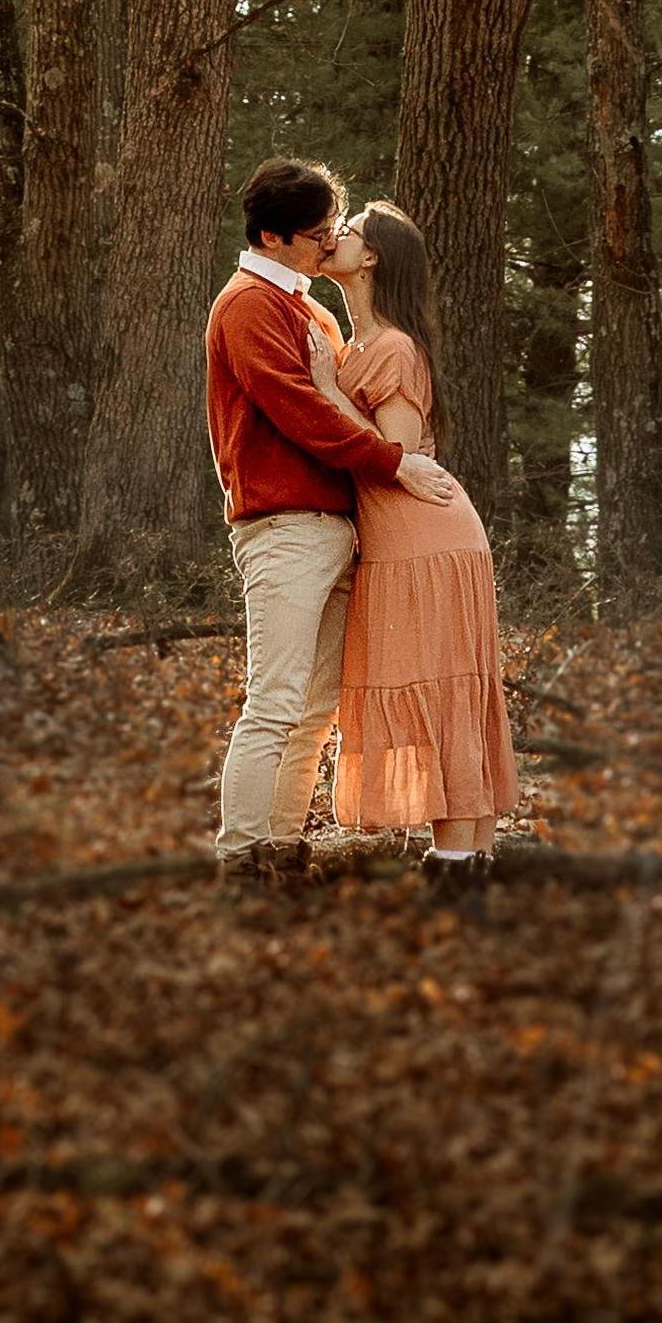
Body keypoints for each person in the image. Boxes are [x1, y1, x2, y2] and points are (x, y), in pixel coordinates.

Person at [206, 157, 457, 887]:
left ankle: (285, 848)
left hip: (335, 524)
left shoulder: (310, 308)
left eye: (330, 231)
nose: (327, 243)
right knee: (275, 698)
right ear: (271, 235)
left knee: (314, 706)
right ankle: (239, 855)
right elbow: (299, 410)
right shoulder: (248, 303)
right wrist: (390, 461)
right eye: (314, 234)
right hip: (282, 524)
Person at [313, 201, 516, 905]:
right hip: (404, 536)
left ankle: (457, 864)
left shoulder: (393, 346)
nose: (330, 238)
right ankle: (472, 866)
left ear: (370, 258)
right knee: (442, 683)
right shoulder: (353, 343)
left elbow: (389, 454)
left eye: (346, 232)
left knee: (444, 685)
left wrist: (322, 388)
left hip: (425, 536)